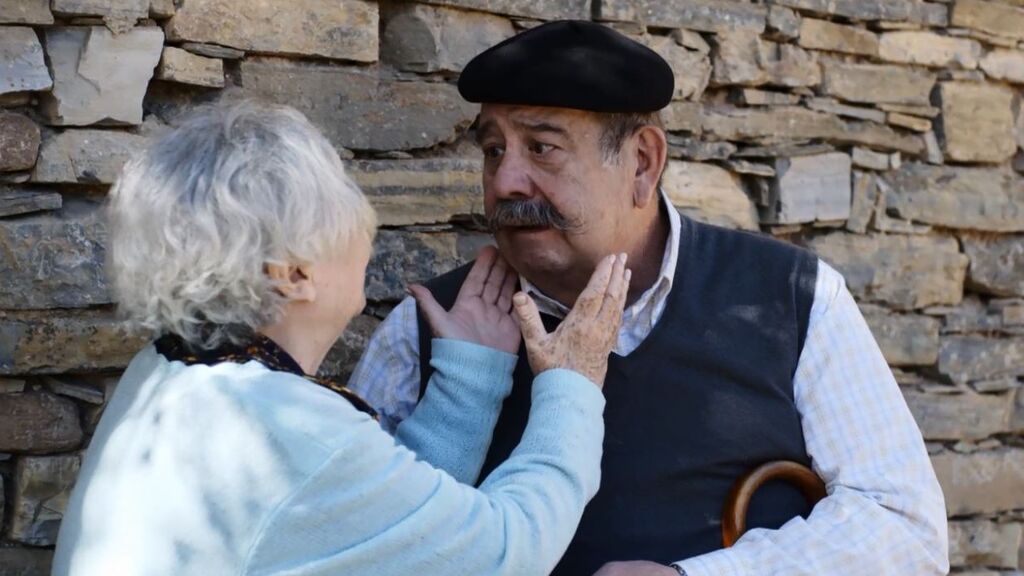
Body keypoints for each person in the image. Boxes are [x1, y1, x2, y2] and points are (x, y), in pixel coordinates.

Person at [349, 20, 950, 576]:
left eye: (542, 147)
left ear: (642, 162)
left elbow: (903, 525)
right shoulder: (429, 326)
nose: (506, 180)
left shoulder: (789, 298)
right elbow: (353, 547)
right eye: (493, 150)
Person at [51, 99, 632, 576]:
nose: (366, 234)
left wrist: (470, 381)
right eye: (347, 213)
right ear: (294, 273)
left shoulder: (170, 371)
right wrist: (572, 386)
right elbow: (507, 551)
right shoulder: (285, 429)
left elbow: (385, 530)